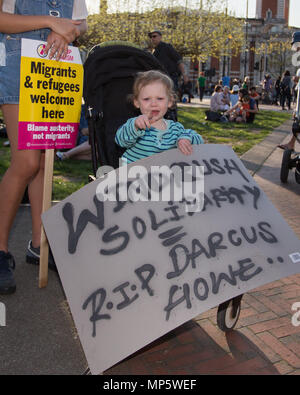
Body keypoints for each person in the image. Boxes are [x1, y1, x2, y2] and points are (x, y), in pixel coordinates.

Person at [0, 0, 88, 294]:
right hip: (16, 65)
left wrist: (66, 33)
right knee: (25, 162)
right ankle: (0, 250)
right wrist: (51, 23)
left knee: (41, 162)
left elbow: (81, 23)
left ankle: (39, 245)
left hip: (55, 68)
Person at [115, 70, 204, 164]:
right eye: (146, 99)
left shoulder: (175, 129)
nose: (154, 104)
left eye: (160, 98)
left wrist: (185, 139)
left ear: (170, 101)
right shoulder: (134, 125)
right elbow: (121, 141)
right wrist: (135, 126)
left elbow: (199, 140)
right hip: (133, 175)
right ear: (137, 102)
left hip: (163, 176)